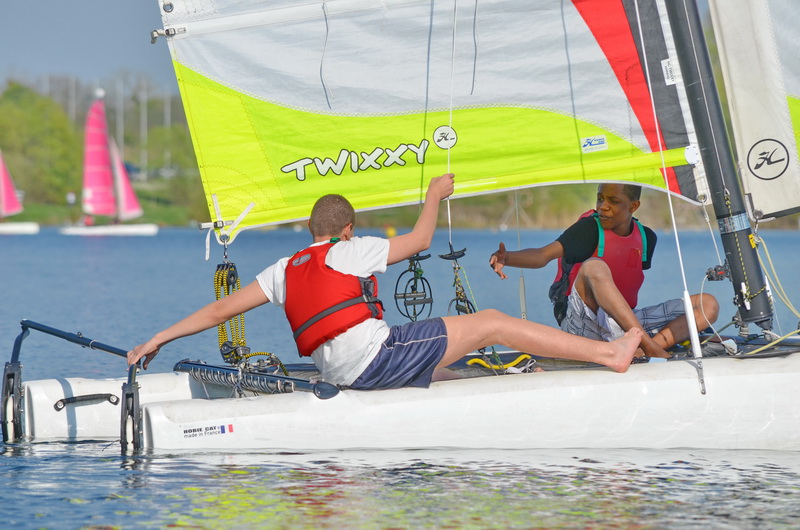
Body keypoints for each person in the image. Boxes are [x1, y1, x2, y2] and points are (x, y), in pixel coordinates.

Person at [128, 174, 644, 389]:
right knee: (490, 322)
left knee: (449, 371)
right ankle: (608, 354)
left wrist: (157, 338)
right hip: (376, 358)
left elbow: (218, 311)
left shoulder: (283, 269)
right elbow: (420, 240)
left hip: (338, 372)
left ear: (311, 230)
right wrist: (434, 194)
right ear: (346, 230)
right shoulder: (349, 250)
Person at [489, 183, 719, 359]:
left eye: (613, 201)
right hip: (582, 324)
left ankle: (644, 349)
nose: (603, 207)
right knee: (594, 267)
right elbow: (542, 255)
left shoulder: (647, 238)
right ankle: (649, 346)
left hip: (622, 324)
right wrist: (507, 258)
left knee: (707, 304)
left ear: (634, 206)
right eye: (600, 199)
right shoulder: (589, 229)